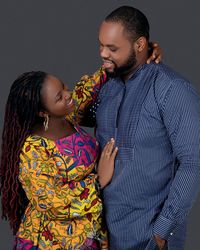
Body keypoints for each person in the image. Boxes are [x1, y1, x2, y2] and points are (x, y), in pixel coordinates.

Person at [0, 44, 161, 250]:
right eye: (59, 97)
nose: (68, 95)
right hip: (51, 241)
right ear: (42, 112)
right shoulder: (33, 150)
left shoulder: (68, 113)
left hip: (88, 233)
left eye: (64, 87)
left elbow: (93, 83)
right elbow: (52, 201)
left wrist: (137, 52)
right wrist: (99, 181)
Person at [90, 5, 200, 250]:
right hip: (104, 237)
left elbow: (193, 162)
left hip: (150, 239)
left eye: (112, 48)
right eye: (101, 45)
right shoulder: (107, 89)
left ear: (140, 45)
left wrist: (162, 232)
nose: (103, 53)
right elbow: (70, 113)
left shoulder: (172, 89)